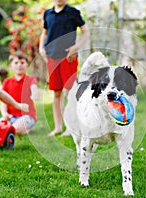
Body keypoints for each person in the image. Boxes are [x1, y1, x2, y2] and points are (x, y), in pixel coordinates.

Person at [39, 0, 89, 137]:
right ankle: (58, 127)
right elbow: (44, 33)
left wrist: (76, 47)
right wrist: (41, 48)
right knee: (57, 93)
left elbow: (86, 32)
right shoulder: (47, 14)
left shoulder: (73, 12)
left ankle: (71, 127)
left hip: (68, 57)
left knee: (69, 92)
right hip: (52, 57)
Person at [0, 51, 39, 135]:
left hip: (27, 116)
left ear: (27, 66)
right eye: (16, 63)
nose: (19, 65)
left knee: (13, 129)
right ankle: (21, 130)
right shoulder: (7, 82)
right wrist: (4, 113)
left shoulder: (31, 79)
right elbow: (3, 101)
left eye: (22, 63)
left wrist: (35, 93)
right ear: (10, 66)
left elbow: (34, 87)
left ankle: (20, 129)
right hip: (10, 116)